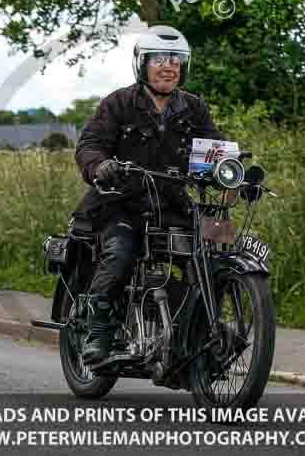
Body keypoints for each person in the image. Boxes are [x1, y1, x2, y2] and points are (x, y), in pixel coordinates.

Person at [73, 25, 224, 364]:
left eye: (175, 59)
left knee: (211, 253)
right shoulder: (119, 103)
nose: (168, 66)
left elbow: (214, 149)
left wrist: (229, 168)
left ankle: (198, 333)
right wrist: (100, 166)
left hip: (171, 205)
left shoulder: (194, 108)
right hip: (119, 202)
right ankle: (98, 334)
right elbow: (90, 144)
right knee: (120, 253)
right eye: (158, 59)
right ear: (142, 64)